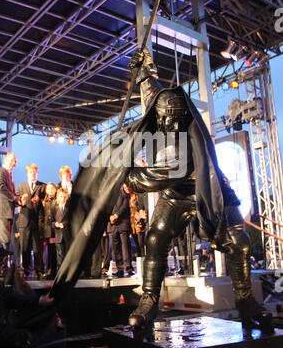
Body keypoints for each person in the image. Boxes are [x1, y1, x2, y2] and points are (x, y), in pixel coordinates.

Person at [50, 48, 272, 332]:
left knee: (238, 241)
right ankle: (149, 299)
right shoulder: (159, 114)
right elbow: (151, 92)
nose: (170, 124)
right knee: (155, 239)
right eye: (165, 118)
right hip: (176, 195)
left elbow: (156, 177)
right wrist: (145, 69)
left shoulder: (186, 136)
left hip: (208, 186)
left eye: (174, 119)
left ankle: (245, 300)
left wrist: (121, 174)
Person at [0, 236, 53, 348]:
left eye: (2, 257)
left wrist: (40, 300)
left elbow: (10, 297)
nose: (1, 262)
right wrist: (25, 338)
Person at [0, 153, 24, 250]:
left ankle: (0, 264)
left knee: (4, 241)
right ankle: (1, 265)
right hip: (0, 212)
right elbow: (1, 189)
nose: (14, 163)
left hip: (6, 213)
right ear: (5, 160)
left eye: (15, 161)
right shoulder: (0, 171)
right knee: (3, 241)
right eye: (11, 160)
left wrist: (19, 201)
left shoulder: (9, 176)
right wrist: (16, 198)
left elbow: (9, 195)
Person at [16, 164, 46, 279]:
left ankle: (39, 270)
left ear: (37, 173)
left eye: (34, 172)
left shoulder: (42, 186)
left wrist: (40, 201)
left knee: (38, 248)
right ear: (27, 173)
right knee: (25, 247)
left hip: (38, 221)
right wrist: (21, 202)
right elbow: (17, 202)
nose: (33, 173)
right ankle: (25, 270)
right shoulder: (21, 186)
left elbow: (45, 202)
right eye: (30, 172)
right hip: (24, 221)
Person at [110, 184, 134, 277]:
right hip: (113, 224)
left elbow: (124, 206)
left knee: (125, 247)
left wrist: (116, 215)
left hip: (123, 223)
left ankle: (128, 268)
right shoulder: (110, 195)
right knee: (116, 248)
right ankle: (119, 268)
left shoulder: (123, 193)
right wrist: (110, 216)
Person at [42, 183, 57, 279]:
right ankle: (49, 270)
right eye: (48, 189)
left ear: (55, 189)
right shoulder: (44, 201)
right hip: (47, 230)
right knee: (48, 251)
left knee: (55, 251)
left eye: (52, 188)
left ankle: (55, 270)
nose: (50, 190)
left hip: (55, 229)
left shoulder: (57, 200)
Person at [51, 188, 69, 271]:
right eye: (61, 196)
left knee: (67, 255)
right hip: (58, 235)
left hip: (68, 235)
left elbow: (72, 220)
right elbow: (51, 222)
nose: (63, 198)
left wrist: (64, 224)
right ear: (58, 197)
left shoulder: (69, 208)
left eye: (64, 196)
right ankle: (60, 272)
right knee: (59, 256)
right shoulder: (54, 209)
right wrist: (55, 224)